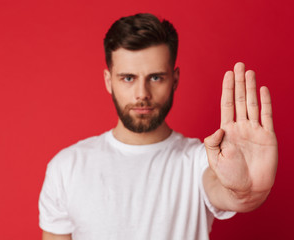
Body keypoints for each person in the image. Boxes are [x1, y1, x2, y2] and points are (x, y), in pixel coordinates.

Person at [39, 13, 278, 240]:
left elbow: (225, 190)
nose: (142, 94)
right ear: (108, 81)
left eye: (155, 77)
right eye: (128, 78)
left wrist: (245, 192)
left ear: (174, 80)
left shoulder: (200, 160)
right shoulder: (67, 166)